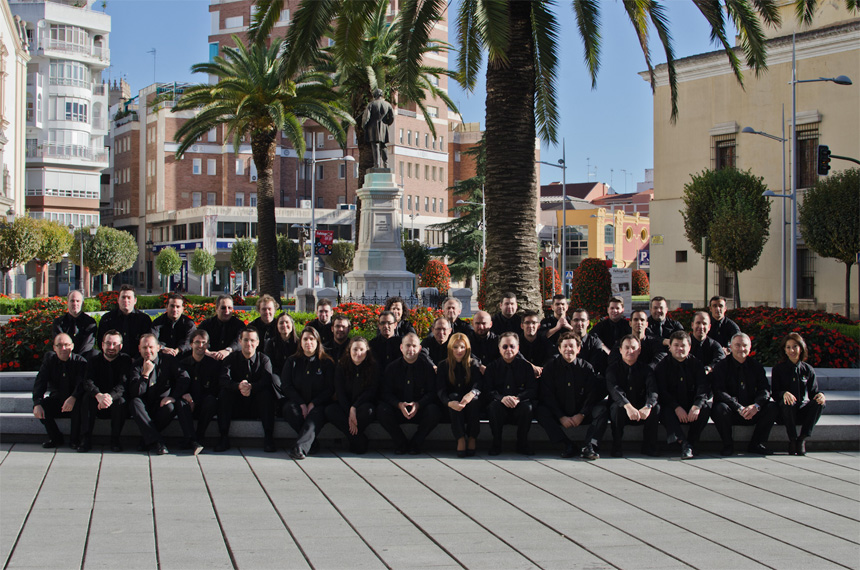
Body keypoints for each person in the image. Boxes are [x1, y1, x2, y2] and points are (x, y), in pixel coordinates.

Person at [537, 332, 608, 460]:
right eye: (565, 346)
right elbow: (547, 395)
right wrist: (561, 416)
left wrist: (582, 414)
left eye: (572, 346)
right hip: (560, 412)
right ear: (559, 349)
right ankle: (566, 445)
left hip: (580, 412)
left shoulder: (587, 368)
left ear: (578, 349)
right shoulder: (550, 367)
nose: (568, 349)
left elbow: (591, 395)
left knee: (602, 409)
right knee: (540, 411)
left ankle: (589, 446)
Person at [129, 334, 199, 456]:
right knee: (134, 402)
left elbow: (184, 378)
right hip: (145, 407)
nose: (148, 351)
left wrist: (173, 396)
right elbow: (136, 392)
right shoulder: (136, 365)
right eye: (144, 347)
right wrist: (145, 374)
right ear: (139, 349)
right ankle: (158, 442)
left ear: (158, 347)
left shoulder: (168, 360)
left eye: (151, 347)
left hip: (162, 404)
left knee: (172, 406)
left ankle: (148, 440)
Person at [711, 333, 779, 456]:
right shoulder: (721, 366)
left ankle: (757, 444)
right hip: (732, 410)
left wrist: (756, 406)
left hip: (752, 410)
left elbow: (765, 390)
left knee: (772, 407)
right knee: (719, 408)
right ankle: (728, 445)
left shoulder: (756, 366)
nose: (741, 349)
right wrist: (738, 407)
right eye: (737, 345)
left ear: (750, 348)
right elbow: (719, 391)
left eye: (745, 345)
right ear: (730, 347)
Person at [378, 333, 442, 454]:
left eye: (414, 346)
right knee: (382, 410)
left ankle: (416, 443)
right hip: (399, 409)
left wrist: (418, 404)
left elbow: (432, 392)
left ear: (419, 349)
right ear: (401, 348)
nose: (411, 349)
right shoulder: (392, 368)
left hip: (419, 409)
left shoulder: (427, 368)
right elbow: (385, 393)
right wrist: (398, 404)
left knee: (434, 411)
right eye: (407, 345)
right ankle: (400, 443)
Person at [216, 328, 277, 453]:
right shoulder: (231, 359)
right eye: (245, 340)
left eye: (252, 340)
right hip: (236, 404)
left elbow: (267, 380)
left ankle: (268, 438)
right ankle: (223, 438)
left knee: (266, 395)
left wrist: (251, 387)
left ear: (258, 342)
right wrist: (238, 386)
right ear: (240, 341)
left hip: (256, 405)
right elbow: (223, 379)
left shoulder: (264, 359)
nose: (249, 344)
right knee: (224, 394)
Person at [280, 327, 335, 460]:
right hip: (297, 403)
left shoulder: (326, 363)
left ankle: (300, 448)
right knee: (289, 410)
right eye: (305, 339)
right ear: (300, 342)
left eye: (312, 339)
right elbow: (286, 386)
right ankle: (312, 444)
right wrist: (301, 403)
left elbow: (330, 388)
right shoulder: (292, 361)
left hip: (319, 404)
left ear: (317, 342)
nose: (308, 342)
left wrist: (313, 403)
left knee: (313, 419)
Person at [655, 331, 711, 459]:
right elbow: (662, 391)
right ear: (670, 347)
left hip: (691, 404)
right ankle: (684, 443)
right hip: (671, 405)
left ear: (689, 347)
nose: (679, 349)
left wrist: (696, 406)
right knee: (663, 410)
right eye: (676, 345)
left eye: (683, 345)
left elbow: (703, 388)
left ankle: (691, 441)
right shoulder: (662, 366)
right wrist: (676, 407)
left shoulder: (697, 364)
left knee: (705, 409)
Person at [483, 332, 538, 456]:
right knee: (493, 407)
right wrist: (502, 398)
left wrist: (518, 398)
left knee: (528, 407)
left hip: (519, 404)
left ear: (518, 348)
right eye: (505, 346)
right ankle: (496, 444)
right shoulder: (492, 367)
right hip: (500, 405)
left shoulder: (526, 367)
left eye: (512, 346)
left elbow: (532, 389)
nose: (508, 349)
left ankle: (522, 444)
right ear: (499, 349)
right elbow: (487, 390)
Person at [771, 333, 826, 455]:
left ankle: (802, 439)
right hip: (785, 412)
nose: (792, 350)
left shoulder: (808, 369)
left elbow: (813, 393)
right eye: (788, 347)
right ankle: (793, 440)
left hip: (800, 410)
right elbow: (774, 393)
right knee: (788, 402)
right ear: (784, 350)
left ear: (801, 348)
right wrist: (784, 393)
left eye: (795, 346)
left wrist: (820, 395)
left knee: (819, 403)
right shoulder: (778, 369)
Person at [606, 335, 660, 457]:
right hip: (623, 410)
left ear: (639, 350)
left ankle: (649, 446)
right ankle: (617, 446)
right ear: (620, 350)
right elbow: (614, 390)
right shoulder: (612, 369)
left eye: (634, 348)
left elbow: (653, 390)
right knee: (616, 408)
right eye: (627, 348)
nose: (630, 351)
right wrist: (628, 406)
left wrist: (648, 406)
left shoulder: (647, 369)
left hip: (641, 409)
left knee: (656, 408)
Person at [78, 330, 131, 452]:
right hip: (97, 399)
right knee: (86, 398)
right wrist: (98, 395)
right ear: (102, 345)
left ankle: (115, 440)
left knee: (121, 401)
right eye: (108, 343)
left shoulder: (125, 361)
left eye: (115, 344)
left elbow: (123, 384)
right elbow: (88, 381)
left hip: (115, 399)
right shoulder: (93, 360)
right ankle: (85, 439)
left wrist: (110, 397)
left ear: (120, 346)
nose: (111, 347)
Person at [32, 333, 87, 449]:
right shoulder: (49, 361)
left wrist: (73, 397)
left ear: (72, 346)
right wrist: (37, 403)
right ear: (54, 348)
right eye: (59, 345)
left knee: (80, 406)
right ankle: (56, 438)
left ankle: (74, 440)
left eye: (66, 345)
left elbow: (82, 384)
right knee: (42, 406)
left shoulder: (80, 362)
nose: (63, 349)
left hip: (75, 400)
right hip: (58, 399)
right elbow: (40, 382)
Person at [326, 337, 377, 454]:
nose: (358, 353)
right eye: (355, 349)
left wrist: (354, 408)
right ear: (349, 350)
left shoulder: (373, 367)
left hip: (362, 405)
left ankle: (354, 438)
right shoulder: (341, 366)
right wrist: (349, 411)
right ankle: (358, 439)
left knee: (368, 411)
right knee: (330, 410)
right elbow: (340, 392)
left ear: (367, 351)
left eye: (361, 350)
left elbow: (371, 391)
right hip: (345, 405)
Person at [436, 333, 483, 457]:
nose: (459, 350)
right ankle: (460, 438)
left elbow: (478, 385)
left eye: (462, 347)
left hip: (470, 401)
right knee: (454, 398)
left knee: (474, 401)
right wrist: (448, 402)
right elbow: (440, 389)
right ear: (450, 348)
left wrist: (471, 394)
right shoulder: (443, 366)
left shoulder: (473, 364)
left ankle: (472, 437)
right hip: (452, 402)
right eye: (455, 347)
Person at [179, 330, 222, 445]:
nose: (200, 346)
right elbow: (178, 385)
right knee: (181, 403)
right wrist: (187, 396)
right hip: (188, 404)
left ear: (208, 345)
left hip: (204, 405)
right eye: (197, 342)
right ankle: (190, 438)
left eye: (204, 343)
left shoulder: (213, 365)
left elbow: (214, 389)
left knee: (211, 401)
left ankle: (199, 435)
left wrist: (196, 400)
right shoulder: (182, 364)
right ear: (191, 344)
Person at [97, 285, 153, 357]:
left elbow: (148, 343)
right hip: (113, 360)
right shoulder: (107, 319)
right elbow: (101, 342)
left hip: (137, 361)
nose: (126, 300)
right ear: (118, 300)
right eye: (123, 297)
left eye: (129, 298)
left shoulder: (144, 319)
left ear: (135, 300)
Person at [198, 294, 245, 360]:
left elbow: (240, 341)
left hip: (232, 361)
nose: (227, 311)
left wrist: (228, 350)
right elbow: (197, 340)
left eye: (229, 308)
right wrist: (207, 352)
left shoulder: (239, 325)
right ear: (216, 309)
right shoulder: (206, 324)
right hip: (209, 360)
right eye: (223, 308)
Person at [52, 290, 97, 358]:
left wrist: (77, 359)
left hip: (84, 359)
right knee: (49, 355)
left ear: (83, 303)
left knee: (94, 353)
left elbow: (87, 344)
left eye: (78, 301)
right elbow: (60, 343)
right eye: (72, 301)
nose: (75, 304)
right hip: (64, 356)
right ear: (67, 303)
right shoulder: (58, 322)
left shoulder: (90, 322)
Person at [151, 293, 196, 358]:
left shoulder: (189, 324)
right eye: (172, 306)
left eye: (178, 307)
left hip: (183, 359)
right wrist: (162, 348)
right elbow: (152, 340)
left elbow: (190, 341)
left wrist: (178, 350)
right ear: (166, 306)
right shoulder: (158, 322)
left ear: (182, 308)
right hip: (162, 357)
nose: (175, 309)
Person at [362, 88, 395, 169]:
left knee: (375, 145)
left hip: (373, 127)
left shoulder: (371, 104)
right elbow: (392, 117)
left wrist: (364, 126)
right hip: (384, 127)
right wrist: (387, 123)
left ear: (375, 95)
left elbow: (366, 118)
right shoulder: (388, 105)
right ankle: (386, 164)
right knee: (383, 146)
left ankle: (377, 164)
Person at [569, 308, 609, 373]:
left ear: (588, 323)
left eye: (582, 320)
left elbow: (594, 366)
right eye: (576, 320)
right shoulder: (565, 342)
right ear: (571, 322)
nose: (579, 323)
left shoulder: (595, 342)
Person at [264, 313, 299, 377]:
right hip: (277, 376)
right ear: (277, 326)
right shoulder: (271, 343)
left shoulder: (299, 343)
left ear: (292, 324)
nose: (284, 325)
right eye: (281, 323)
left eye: (287, 322)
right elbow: (270, 365)